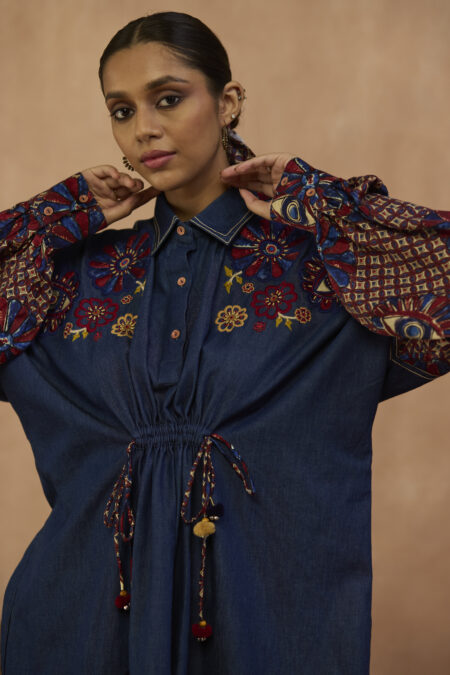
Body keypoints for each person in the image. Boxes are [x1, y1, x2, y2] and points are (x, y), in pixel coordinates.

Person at [0, 10, 448, 675]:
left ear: (228, 101)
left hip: (270, 633)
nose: (144, 128)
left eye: (168, 98)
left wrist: (319, 200)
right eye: (122, 111)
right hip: (80, 633)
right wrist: (52, 216)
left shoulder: (320, 274)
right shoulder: (78, 280)